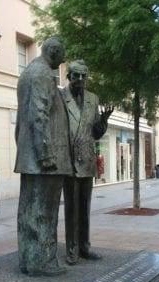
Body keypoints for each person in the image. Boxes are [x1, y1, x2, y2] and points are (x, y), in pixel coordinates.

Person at [14, 37, 73, 276]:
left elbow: (21, 122)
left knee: (29, 210)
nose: (63, 61)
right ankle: (44, 262)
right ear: (55, 51)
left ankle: (28, 260)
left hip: (31, 157)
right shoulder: (42, 74)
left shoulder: (29, 72)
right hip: (44, 159)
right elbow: (39, 116)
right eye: (62, 56)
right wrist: (46, 153)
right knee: (44, 212)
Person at [61, 60, 113, 265]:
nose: (80, 79)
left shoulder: (93, 98)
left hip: (87, 160)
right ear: (69, 76)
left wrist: (104, 122)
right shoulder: (60, 97)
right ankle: (72, 249)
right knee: (71, 209)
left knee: (85, 208)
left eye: (84, 75)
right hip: (69, 160)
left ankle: (84, 247)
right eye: (76, 75)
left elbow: (96, 134)